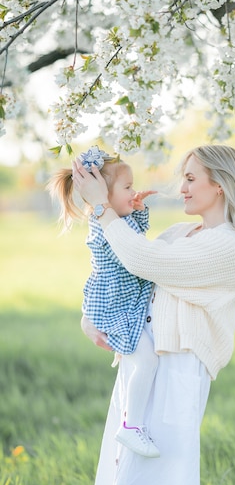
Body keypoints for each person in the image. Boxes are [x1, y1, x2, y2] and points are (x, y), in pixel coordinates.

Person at [72, 144, 235, 485]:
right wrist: (89, 316)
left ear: (219, 185)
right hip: (143, 368)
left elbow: (143, 259)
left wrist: (103, 207)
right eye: (183, 177)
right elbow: (120, 271)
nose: (180, 188)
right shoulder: (181, 234)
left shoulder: (229, 247)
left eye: (191, 178)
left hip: (177, 370)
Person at [47, 146, 160, 458]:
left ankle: (132, 422)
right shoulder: (102, 227)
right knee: (147, 360)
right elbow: (132, 251)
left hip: (124, 303)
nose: (134, 191)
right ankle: (131, 427)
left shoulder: (114, 219)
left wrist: (136, 208)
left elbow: (133, 236)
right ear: (102, 195)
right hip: (114, 309)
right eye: (127, 187)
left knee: (142, 361)